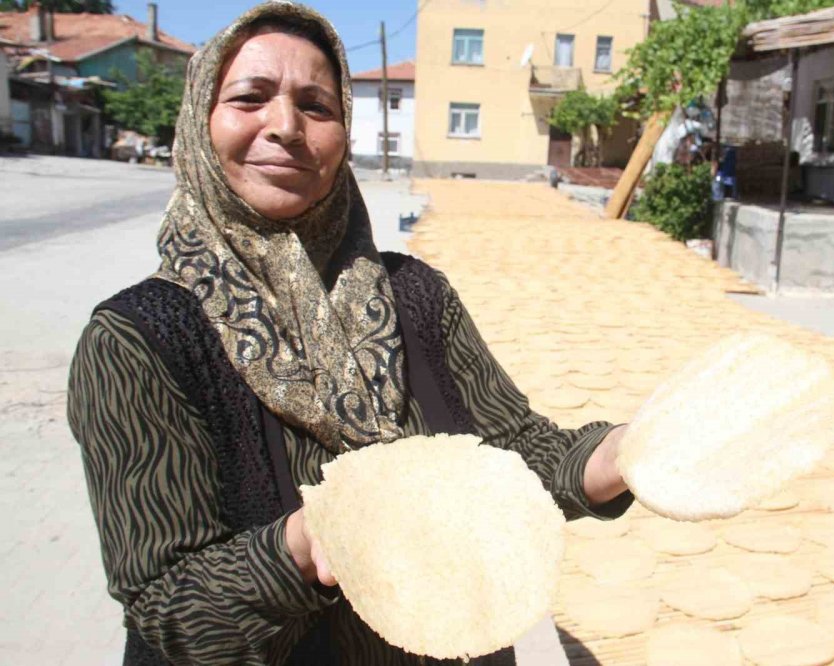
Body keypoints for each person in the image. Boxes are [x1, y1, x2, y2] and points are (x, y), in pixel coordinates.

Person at [66, 3, 631, 664]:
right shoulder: (141, 339)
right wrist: (312, 542)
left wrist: (617, 457)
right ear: (198, 122)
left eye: (316, 106)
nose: (285, 128)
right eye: (249, 99)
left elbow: (510, 455)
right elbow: (171, 611)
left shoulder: (414, 295)